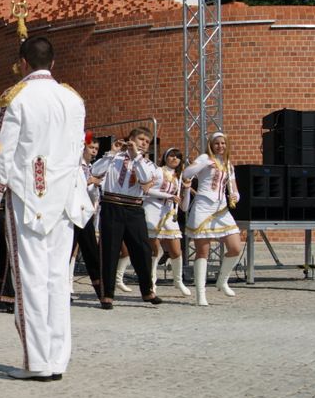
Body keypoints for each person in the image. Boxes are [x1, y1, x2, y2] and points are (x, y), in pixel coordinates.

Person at [0, 36, 91, 381]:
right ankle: (58, 358)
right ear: (53, 63)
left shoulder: (16, 97)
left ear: (23, 63)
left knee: (29, 279)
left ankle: (38, 361)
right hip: (65, 197)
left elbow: (0, 153)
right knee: (58, 280)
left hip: (29, 196)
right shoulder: (73, 99)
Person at [91, 127, 163, 309]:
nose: (143, 143)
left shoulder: (148, 164)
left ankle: (147, 290)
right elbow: (95, 170)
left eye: (147, 142)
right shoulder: (114, 158)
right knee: (110, 250)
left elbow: (145, 180)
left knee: (143, 249)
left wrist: (136, 157)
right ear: (130, 138)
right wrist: (112, 152)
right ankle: (107, 294)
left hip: (134, 208)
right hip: (112, 204)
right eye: (140, 139)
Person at [183, 132, 242, 306]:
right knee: (203, 251)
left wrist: (235, 196)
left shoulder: (228, 164)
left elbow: (233, 187)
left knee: (235, 247)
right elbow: (187, 173)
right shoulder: (204, 158)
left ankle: (222, 280)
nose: (220, 146)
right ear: (211, 145)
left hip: (221, 209)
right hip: (203, 207)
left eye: (223, 143)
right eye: (217, 143)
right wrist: (204, 162)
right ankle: (200, 294)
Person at [144, 147, 192, 297]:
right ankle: (151, 282)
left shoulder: (178, 178)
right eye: (171, 156)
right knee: (156, 251)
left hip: (169, 214)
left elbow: (184, 207)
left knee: (176, 251)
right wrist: (168, 196)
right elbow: (146, 190)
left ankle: (178, 281)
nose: (174, 159)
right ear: (165, 157)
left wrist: (187, 190)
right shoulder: (157, 171)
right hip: (152, 211)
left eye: (178, 157)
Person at [70, 137, 103, 300]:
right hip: (72, 212)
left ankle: (101, 291)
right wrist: (90, 181)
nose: (94, 151)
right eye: (91, 147)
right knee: (68, 253)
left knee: (91, 252)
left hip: (86, 213)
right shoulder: (76, 164)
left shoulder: (90, 167)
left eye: (96, 148)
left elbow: (91, 192)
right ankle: (65, 288)